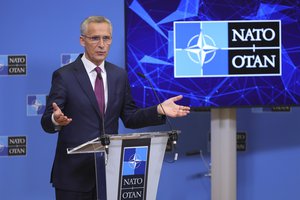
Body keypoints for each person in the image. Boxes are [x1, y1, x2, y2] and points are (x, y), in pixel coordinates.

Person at [41, 16, 190, 200]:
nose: (102, 44)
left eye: (107, 38)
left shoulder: (118, 75)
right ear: (82, 40)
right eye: (95, 38)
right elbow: (47, 122)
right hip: (74, 177)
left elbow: (129, 117)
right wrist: (56, 119)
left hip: (110, 174)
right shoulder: (64, 76)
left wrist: (157, 110)